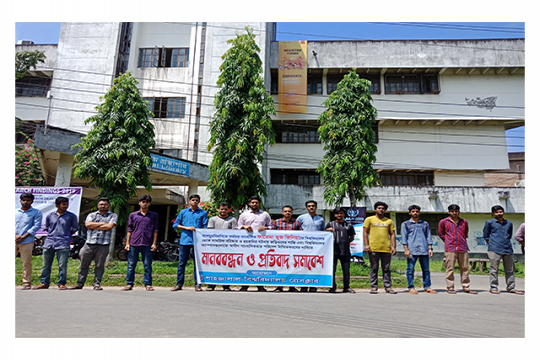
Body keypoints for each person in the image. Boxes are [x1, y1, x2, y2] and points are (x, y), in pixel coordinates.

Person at [68, 198, 117, 290]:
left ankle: (96, 284)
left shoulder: (113, 215)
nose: (103, 206)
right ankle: (79, 283)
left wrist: (95, 224)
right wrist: (103, 223)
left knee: (99, 265)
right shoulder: (91, 214)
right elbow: (88, 225)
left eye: (105, 204)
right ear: (98, 205)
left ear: (108, 205)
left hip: (104, 244)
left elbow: (110, 226)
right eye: (101, 204)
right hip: (89, 243)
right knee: (83, 264)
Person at [34, 196, 78, 290]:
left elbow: (74, 228)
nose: (66, 206)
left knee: (62, 265)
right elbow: (47, 227)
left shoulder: (71, 216)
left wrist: (66, 234)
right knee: (46, 265)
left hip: (63, 243)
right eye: (63, 204)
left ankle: (61, 283)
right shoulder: (50, 215)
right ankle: (44, 283)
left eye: (67, 204)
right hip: (49, 242)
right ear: (57, 205)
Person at [171, 194, 208, 292]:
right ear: (189, 201)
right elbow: (175, 225)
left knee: (197, 264)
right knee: (182, 263)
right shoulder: (183, 212)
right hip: (185, 240)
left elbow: (205, 227)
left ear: (199, 201)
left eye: (196, 200)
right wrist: (186, 227)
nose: (195, 202)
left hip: (197, 242)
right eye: (193, 200)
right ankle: (179, 284)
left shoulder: (203, 213)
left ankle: (197, 284)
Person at [483, 205, 524, 295]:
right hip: (494, 249)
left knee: (510, 270)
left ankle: (511, 287)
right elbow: (486, 236)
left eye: (500, 212)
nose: (499, 214)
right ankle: (493, 287)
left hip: (507, 249)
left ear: (503, 212)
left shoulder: (509, 223)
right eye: (497, 212)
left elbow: (509, 235)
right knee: (494, 269)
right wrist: (492, 244)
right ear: (493, 213)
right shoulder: (489, 223)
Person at [122, 195, 158, 291]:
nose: (144, 203)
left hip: (147, 243)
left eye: (147, 202)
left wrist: (154, 243)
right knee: (131, 265)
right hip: (134, 243)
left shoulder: (154, 215)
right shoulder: (133, 215)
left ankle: (148, 284)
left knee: (147, 265)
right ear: (139, 203)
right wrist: (127, 243)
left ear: (149, 203)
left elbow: (155, 230)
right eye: (143, 201)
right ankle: (129, 284)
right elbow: (129, 229)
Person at [438, 204, 477, 294]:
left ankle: (466, 286)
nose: (454, 213)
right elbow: (441, 234)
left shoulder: (464, 222)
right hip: (450, 247)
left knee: (464, 268)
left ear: (459, 212)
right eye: (452, 211)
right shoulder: (443, 222)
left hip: (462, 247)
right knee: (450, 268)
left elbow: (465, 234)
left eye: (456, 211)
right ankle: (450, 286)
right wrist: (448, 240)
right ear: (449, 212)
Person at [237, 196, 272, 291]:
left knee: (259, 263)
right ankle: (245, 285)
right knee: (246, 263)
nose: (254, 204)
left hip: (261, 244)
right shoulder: (244, 215)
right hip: (247, 243)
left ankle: (260, 285)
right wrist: (244, 226)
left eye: (256, 202)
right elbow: (238, 227)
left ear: (259, 203)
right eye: (252, 202)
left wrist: (265, 228)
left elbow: (271, 226)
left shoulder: (265, 214)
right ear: (249, 204)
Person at [401, 205, 437, 294]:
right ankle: (411, 287)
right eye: (413, 211)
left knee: (426, 270)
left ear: (419, 212)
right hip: (411, 250)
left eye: (417, 211)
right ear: (410, 213)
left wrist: (430, 248)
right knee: (410, 269)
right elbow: (404, 237)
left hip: (424, 250)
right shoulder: (405, 224)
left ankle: (427, 286)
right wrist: (406, 249)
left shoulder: (425, 224)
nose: (415, 213)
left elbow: (428, 236)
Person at [363, 201, 397, 294]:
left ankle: (388, 287)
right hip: (373, 248)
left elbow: (392, 234)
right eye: (379, 208)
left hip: (386, 248)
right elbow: (365, 232)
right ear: (375, 209)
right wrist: (366, 245)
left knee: (386, 269)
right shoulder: (369, 219)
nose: (381, 210)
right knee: (374, 268)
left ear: (385, 210)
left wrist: (394, 247)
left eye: (383, 208)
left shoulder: (389, 221)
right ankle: (374, 287)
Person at [267, 205, 302, 292]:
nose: (287, 213)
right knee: (280, 267)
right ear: (282, 212)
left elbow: (302, 235)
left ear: (292, 212)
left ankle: (292, 286)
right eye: (285, 211)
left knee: (292, 267)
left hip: (293, 249)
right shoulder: (277, 222)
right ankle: (280, 286)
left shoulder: (296, 222)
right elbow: (272, 235)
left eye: (289, 211)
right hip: (280, 249)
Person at [296, 200, 326, 292]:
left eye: (313, 206)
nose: (311, 207)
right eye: (309, 206)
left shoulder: (320, 219)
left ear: (316, 207)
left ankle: (313, 285)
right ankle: (303, 286)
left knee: (314, 266)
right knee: (304, 266)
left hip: (316, 248)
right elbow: (296, 231)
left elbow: (323, 233)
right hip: (303, 247)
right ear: (306, 208)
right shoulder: (301, 218)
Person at [206, 202, 236, 291]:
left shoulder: (232, 220)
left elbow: (235, 233)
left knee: (227, 266)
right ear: (218, 209)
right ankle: (211, 285)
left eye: (225, 209)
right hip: (215, 246)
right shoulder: (212, 219)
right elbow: (210, 233)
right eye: (222, 209)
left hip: (228, 247)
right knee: (214, 265)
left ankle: (226, 286)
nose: (223, 211)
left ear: (228, 210)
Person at [15, 192, 43, 290]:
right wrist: (15, 235)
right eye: (24, 200)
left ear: (32, 201)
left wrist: (23, 236)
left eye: (28, 200)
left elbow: (36, 226)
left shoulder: (36, 212)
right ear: (20, 201)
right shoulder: (14, 212)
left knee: (26, 262)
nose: (26, 202)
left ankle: (26, 282)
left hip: (27, 240)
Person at [326, 207, 356, 293]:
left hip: (345, 252)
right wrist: (328, 230)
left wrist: (344, 242)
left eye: (341, 213)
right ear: (335, 215)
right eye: (337, 213)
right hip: (333, 252)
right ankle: (332, 287)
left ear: (344, 215)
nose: (339, 215)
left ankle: (346, 287)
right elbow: (324, 235)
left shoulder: (349, 225)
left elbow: (352, 237)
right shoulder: (330, 224)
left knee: (346, 271)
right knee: (332, 270)